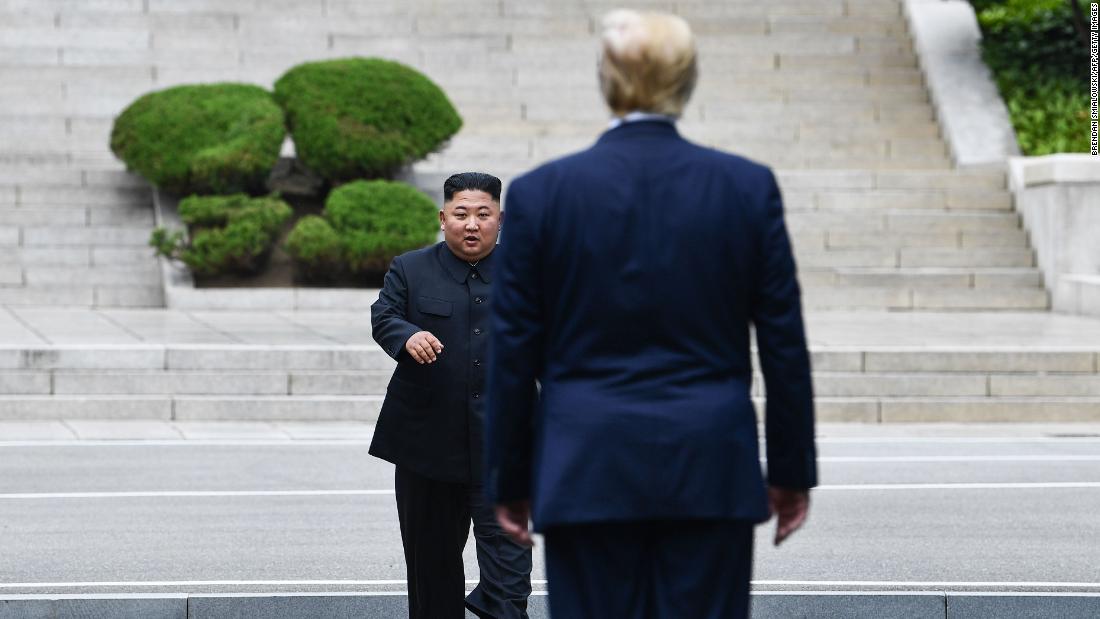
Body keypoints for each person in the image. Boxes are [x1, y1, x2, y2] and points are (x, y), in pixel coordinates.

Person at [486, 10, 817, 619]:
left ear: (606, 81)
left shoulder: (541, 193)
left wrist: (509, 480)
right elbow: (783, 344)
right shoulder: (745, 187)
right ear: (686, 82)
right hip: (708, 461)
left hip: (586, 461)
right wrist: (792, 470)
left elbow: (512, 351)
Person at [370, 172, 532, 619]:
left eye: (484, 214)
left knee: (510, 572)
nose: (472, 224)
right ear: (444, 218)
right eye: (461, 214)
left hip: (504, 449)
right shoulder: (410, 267)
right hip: (427, 446)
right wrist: (405, 335)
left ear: (501, 219)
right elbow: (383, 315)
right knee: (432, 570)